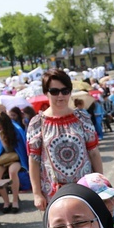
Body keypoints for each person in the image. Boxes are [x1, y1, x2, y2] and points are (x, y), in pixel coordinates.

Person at [27, 69, 103, 215]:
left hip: (84, 190)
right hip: (54, 193)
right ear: (46, 92)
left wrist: (100, 185)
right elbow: (34, 160)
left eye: (65, 91)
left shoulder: (83, 118)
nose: (60, 96)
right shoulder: (37, 123)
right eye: (54, 91)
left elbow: (94, 153)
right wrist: (37, 193)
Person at [0, 112, 28, 213]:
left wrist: (3, 138)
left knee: (12, 172)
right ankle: (6, 201)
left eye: (0, 125)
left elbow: (12, 149)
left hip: (15, 157)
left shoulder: (15, 130)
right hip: (2, 158)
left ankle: (15, 200)